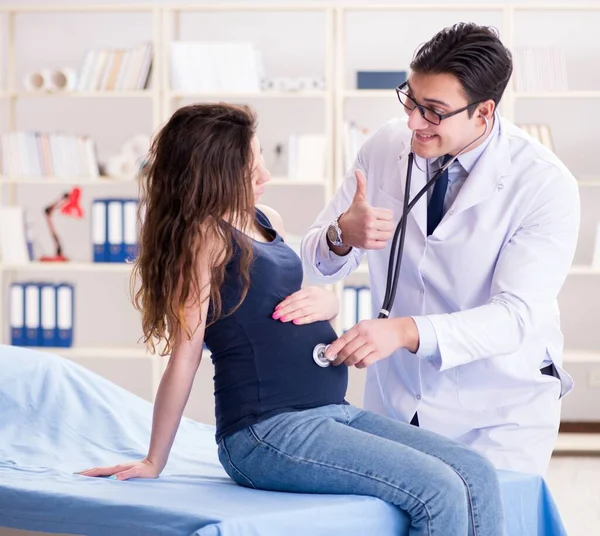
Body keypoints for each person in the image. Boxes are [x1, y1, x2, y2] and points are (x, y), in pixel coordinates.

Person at [78, 102, 504, 535]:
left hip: (332, 412)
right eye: (250, 168)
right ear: (213, 173)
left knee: (476, 472)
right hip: (266, 432)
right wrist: (155, 460)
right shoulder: (202, 239)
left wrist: (330, 303)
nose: (265, 176)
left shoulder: (267, 220)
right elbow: (185, 357)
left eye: (261, 159)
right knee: (439, 490)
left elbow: (287, 299)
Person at [301, 22, 580, 477]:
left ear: (483, 113)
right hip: (397, 397)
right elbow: (314, 262)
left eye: (432, 111)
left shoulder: (545, 185)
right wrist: (340, 235)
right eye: (410, 99)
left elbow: (515, 317)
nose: (413, 121)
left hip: (497, 411)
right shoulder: (386, 146)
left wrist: (405, 331)